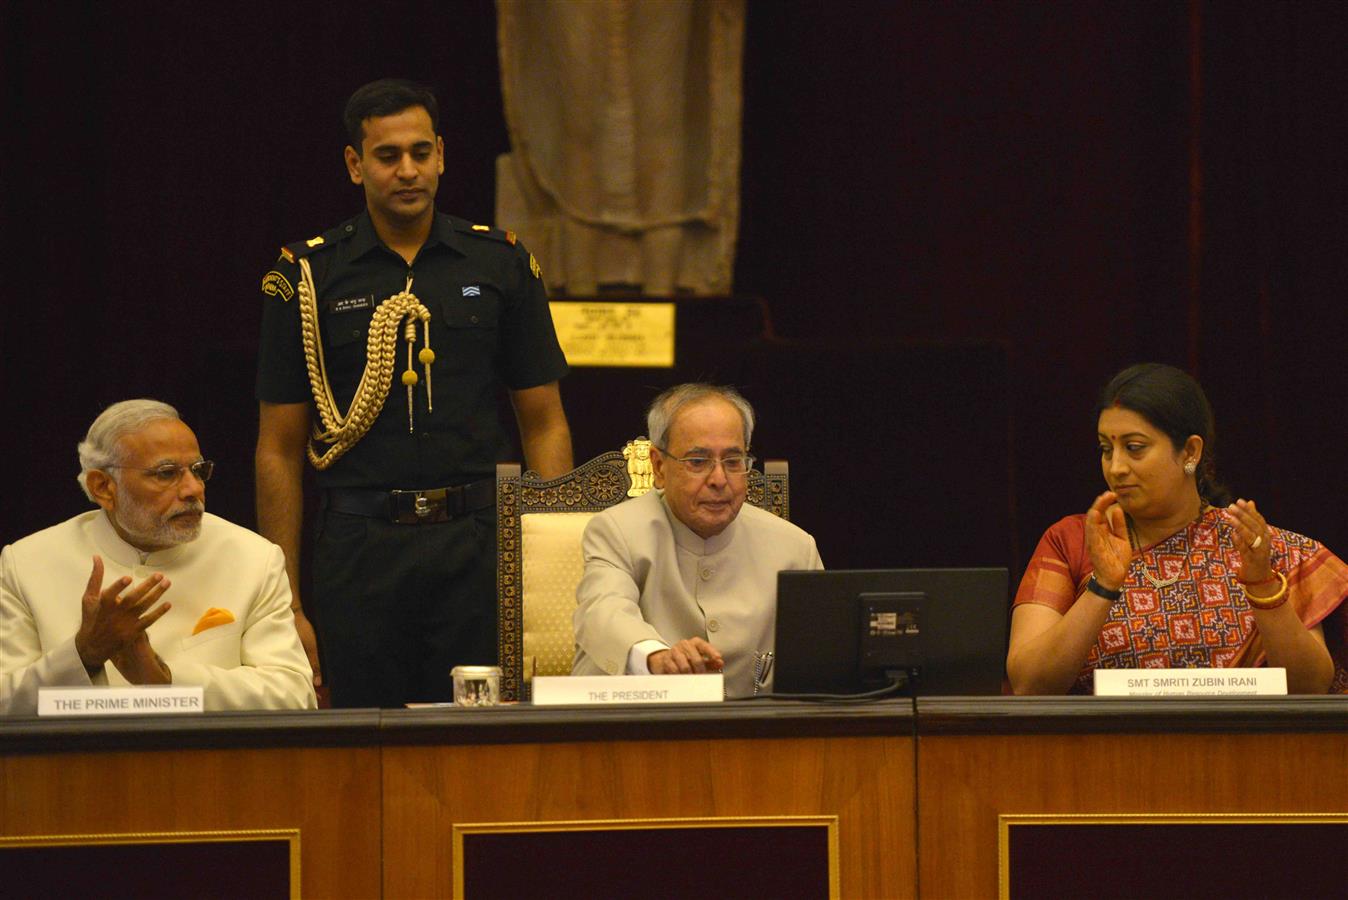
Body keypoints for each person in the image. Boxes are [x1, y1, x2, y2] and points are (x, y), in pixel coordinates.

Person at [255, 79, 572, 708]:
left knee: (485, 741)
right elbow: (278, 449)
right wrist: (282, 604)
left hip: (479, 545)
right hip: (360, 548)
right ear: (355, 164)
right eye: (387, 155)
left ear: (443, 155)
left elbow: (545, 424)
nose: (408, 170)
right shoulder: (306, 276)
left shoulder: (500, 263)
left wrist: (549, 572)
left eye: (421, 153)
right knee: (363, 741)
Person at [1007, 363, 1348, 695]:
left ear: (1190, 451)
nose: (1116, 467)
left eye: (1134, 448)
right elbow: (1029, 684)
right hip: (1106, 750)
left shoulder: (1261, 548)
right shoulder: (1073, 542)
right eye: (1106, 449)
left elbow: (1310, 688)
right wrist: (1103, 587)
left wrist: (1262, 585)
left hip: (1246, 748)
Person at [0, 400, 316, 715]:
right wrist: (84, 654)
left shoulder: (254, 558)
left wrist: (166, 682)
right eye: (167, 474)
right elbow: (5, 703)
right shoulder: (26, 563)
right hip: (74, 763)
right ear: (104, 488)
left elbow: (294, 698)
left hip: (206, 762)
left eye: (198, 470)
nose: (193, 489)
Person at [572, 384, 822, 698]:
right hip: (633, 732)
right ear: (659, 467)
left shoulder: (795, 548)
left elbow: (822, 664)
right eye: (698, 462)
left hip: (752, 738)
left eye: (733, 461)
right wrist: (656, 657)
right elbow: (604, 611)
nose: (719, 480)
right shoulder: (616, 531)